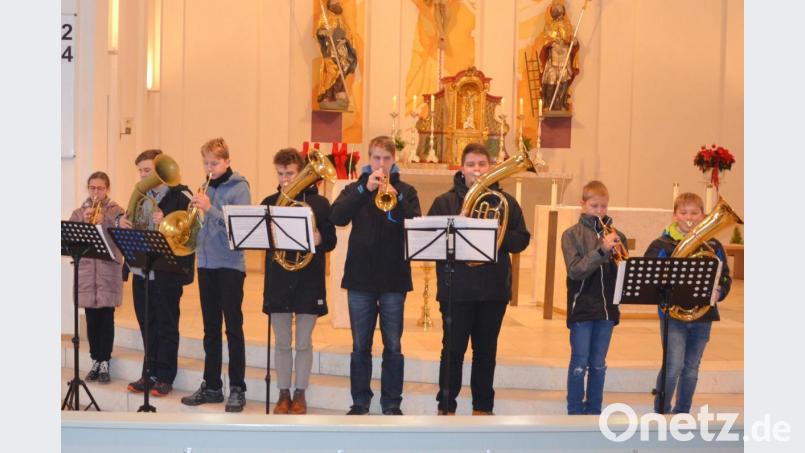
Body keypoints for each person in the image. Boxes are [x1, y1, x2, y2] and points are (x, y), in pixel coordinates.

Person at [428, 143, 531, 415]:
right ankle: (446, 407)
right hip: (456, 290)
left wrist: (498, 231)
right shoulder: (445, 202)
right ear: (462, 169)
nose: (476, 170)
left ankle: (483, 408)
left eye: (482, 164)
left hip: (493, 290)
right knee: (452, 352)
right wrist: (458, 224)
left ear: (491, 168)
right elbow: (430, 242)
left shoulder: (505, 202)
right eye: (471, 164)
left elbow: (521, 241)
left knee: (486, 353)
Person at [330, 135, 421, 415]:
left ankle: (392, 403)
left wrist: (397, 197)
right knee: (360, 345)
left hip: (394, 278)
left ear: (394, 161)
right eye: (376, 158)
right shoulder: (354, 188)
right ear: (368, 160)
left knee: (393, 345)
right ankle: (360, 401)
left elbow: (416, 223)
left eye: (386, 159)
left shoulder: (407, 190)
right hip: (360, 278)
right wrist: (363, 191)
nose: (381, 164)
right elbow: (337, 217)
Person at [261, 148, 337, 414]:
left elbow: (331, 241)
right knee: (282, 342)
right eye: (281, 174)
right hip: (279, 280)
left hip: (308, 281)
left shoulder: (319, 204)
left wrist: (320, 239)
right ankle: (283, 392)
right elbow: (259, 240)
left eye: (290, 173)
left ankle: (300, 393)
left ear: (302, 172)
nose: (285, 179)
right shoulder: (269, 202)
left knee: (303, 342)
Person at [180, 137, 252, 412]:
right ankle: (211, 386)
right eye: (206, 163)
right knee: (210, 329)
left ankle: (237, 387)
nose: (209, 168)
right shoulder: (204, 186)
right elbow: (201, 223)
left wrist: (210, 209)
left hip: (230, 264)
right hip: (206, 263)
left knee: (233, 327)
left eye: (215, 163)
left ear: (227, 161)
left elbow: (241, 227)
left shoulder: (240, 187)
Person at [645, 192, 732, 414]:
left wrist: (720, 290)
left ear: (703, 216)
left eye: (694, 213)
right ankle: (661, 412)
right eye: (683, 213)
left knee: (692, 369)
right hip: (672, 316)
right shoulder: (662, 244)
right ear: (675, 215)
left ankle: (682, 413)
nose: (689, 217)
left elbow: (725, 276)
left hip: (703, 316)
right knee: (673, 367)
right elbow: (648, 273)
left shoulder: (714, 246)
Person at [118, 150, 195, 397]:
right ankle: (148, 372)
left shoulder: (182, 195)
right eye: (140, 170)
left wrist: (167, 220)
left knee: (166, 324)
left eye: (148, 170)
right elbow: (129, 219)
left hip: (167, 272)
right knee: (146, 324)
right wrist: (122, 220)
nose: (143, 175)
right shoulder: (141, 196)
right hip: (142, 270)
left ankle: (165, 376)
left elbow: (191, 232)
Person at [560, 180, 626, 415]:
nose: (599, 211)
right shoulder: (571, 235)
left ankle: (595, 412)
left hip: (607, 309)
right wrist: (601, 250)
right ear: (583, 204)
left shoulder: (618, 236)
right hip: (582, 308)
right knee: (579, 363)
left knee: (598, 365)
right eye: (594, 206)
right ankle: (574, 412)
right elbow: (576, 270)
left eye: (603, 207)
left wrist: (620, 259)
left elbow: (623, 276)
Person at [69, 171, 125, 384]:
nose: (96, 192)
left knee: (106, 319)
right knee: (91, 320)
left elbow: (120, 237)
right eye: (92, 188)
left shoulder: (116, 211)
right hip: (86, 275)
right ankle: (95, 360)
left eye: (100, 188)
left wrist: (107, 220)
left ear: (107, 189)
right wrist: (83, 222)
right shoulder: (78, 212)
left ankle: (105, 362)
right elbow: (71, 240)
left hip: (107, 273)